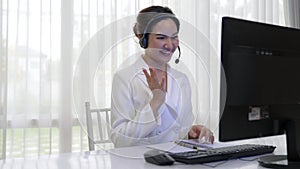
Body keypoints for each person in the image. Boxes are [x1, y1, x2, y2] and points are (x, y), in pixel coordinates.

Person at [110, 5, 214, 147]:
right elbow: (120, 140)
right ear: (143, 38)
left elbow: (179, 130)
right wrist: (155, 102)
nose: (169, 45)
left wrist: (190, 133)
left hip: (176, 161)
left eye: (174, 37)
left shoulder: (181, 79)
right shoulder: (124, 78)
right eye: (161, 38)